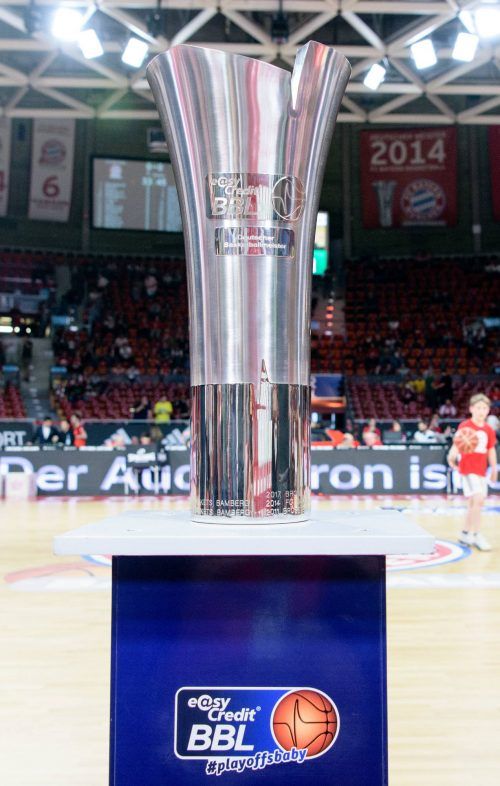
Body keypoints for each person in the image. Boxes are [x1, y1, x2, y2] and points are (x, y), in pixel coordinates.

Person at [447, 394, 497, 551]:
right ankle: (476, 535)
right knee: (479, 499)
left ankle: (465, 533)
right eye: (478, 408)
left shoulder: (489, 430)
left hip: (481, 470)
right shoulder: (465, 425)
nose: (481, 411)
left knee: (473, 504)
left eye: (484, 408)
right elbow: (457, 444)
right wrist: (451, 457)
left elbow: (491, 450)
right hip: (468, 469)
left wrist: (494, 469)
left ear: (488, 410)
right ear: (471, 409)